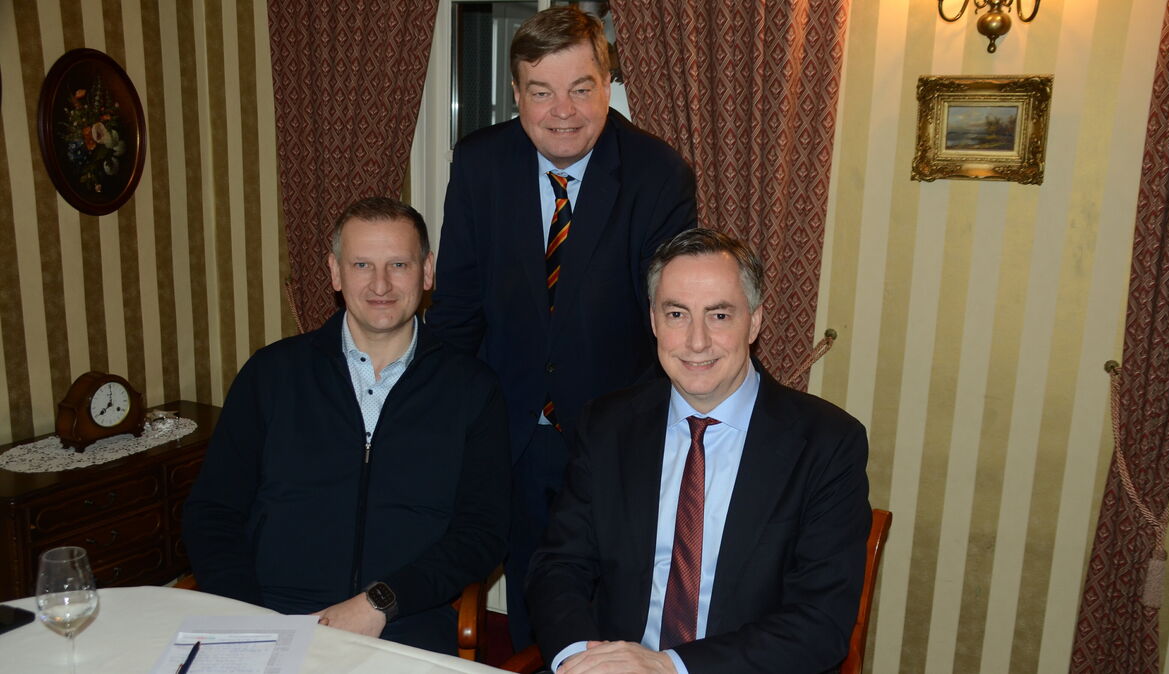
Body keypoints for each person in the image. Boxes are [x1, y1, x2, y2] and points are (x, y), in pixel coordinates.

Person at [426, 5, 697, 650]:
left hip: (616, 434)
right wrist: (441, 423)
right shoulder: (480, 164)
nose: (563, 111)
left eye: (582, 88)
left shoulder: (659, 175)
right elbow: (458, 310)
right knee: (529, 599)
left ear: (609, 85)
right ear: (516, 95)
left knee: (612, 605)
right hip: (510, 430)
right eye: (541, 91)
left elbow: (673, 317)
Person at [526, 229, 872, 673]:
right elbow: (558, 566)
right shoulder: (607, 425)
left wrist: (670, 667)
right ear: (653, 321)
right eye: (677, 314)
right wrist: (580, 658)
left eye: (720, 315)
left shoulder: (827, 443)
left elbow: (819, 624)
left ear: (756, 320)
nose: (696, 342)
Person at [182, 197, 509, 654]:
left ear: (427, 271)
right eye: (361, 265)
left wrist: (381, 603)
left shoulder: (473, 389)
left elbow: (483, 532)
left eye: (399, 264)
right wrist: (251, 617)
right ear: (335, 272)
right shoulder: (271, 375)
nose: (380, 284)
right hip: (269, 615)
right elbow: (213, 512)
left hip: (402, 625)